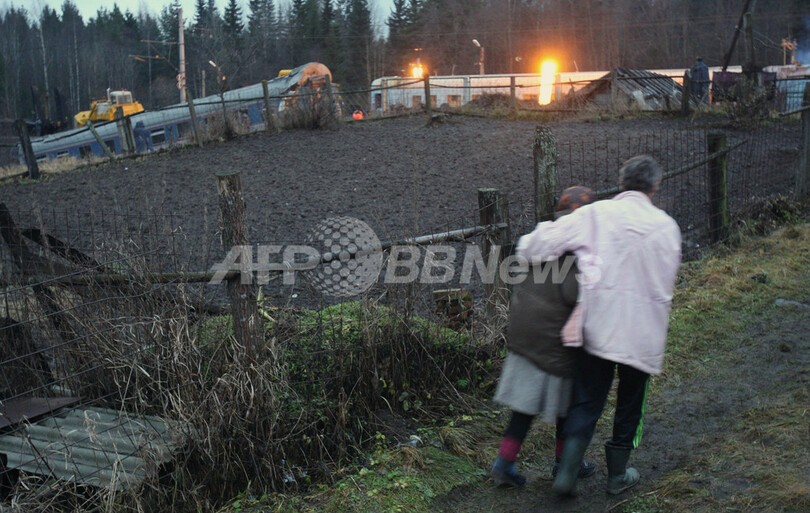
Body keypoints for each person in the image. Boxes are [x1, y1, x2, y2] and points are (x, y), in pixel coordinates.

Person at [516, 156, 681, 496]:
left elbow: (541, 244)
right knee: (631, 402)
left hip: (598, 325)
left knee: (587, 399)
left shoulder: (596, 214)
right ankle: (617, 475)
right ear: (655, 186)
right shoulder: (667, 228)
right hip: (643, 331)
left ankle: (567, 473)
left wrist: (527, 247)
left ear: (622, 182)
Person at [490, 186, 598, 487]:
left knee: (523, 408)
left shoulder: (539, 239)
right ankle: (565, 465)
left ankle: (503, 463)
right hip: (554, 342)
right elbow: (575, 295)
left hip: (524, 334)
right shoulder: (576, 252)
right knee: (568, 407)